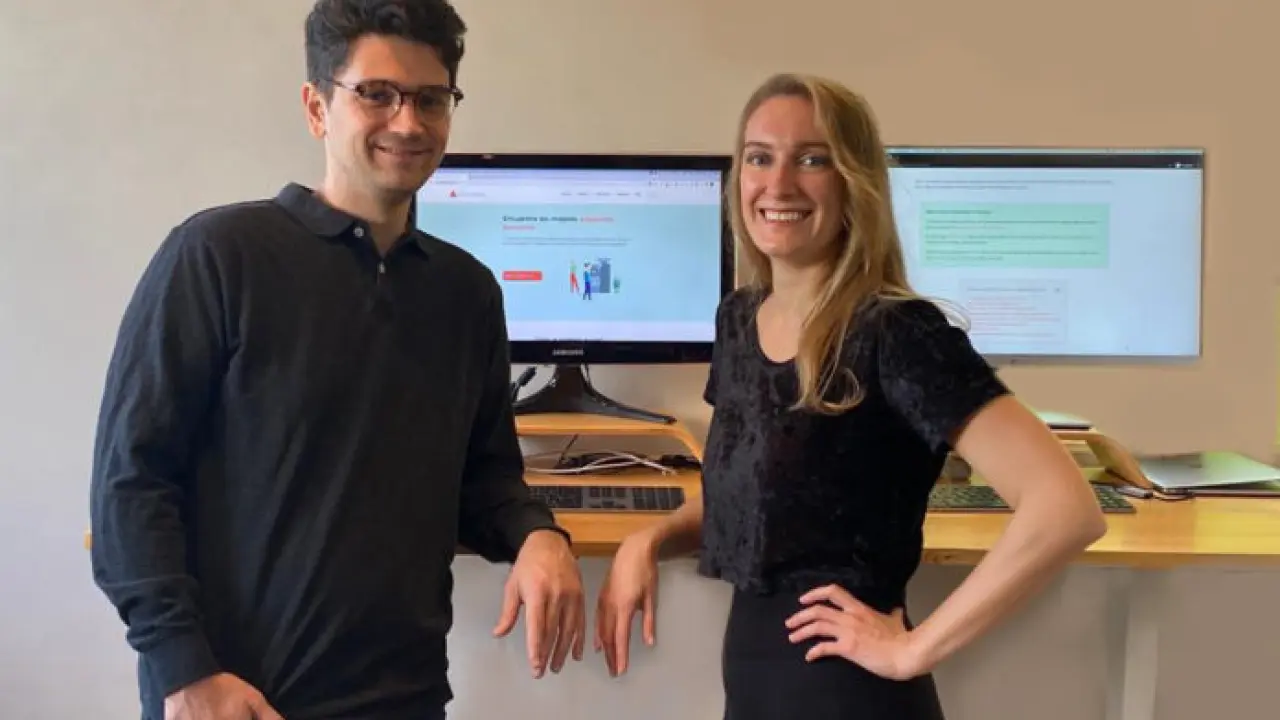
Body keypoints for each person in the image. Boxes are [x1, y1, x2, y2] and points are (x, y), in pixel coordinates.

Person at [88, 1, 585, 718]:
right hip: (237, 699)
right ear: (317, 107)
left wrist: (539, 535)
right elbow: (130, 482)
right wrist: (184, 672)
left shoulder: (466, 292)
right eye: (376, 94)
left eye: (430, 99)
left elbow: (486, 478)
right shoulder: (218, 257)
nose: (408, 123)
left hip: (405, 699)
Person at [594, 72, 1108, 719]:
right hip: (755, 691)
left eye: (812, 159)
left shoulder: (896, 331)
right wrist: (649, 538)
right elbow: (749, 502)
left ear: (853, 183)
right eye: (759, 157)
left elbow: (1066, 508)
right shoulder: (741, 319)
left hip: (852, 697)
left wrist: (914, 649)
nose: (778, 183)